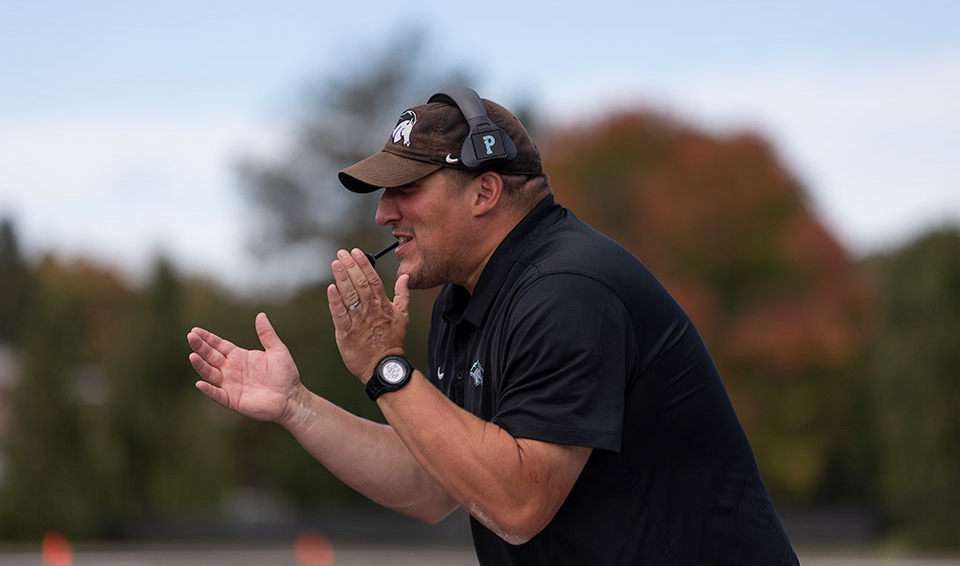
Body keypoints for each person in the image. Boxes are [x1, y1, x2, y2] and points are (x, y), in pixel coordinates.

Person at [187, 87, 799, 565]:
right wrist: (297, 405)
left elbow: (518, 501)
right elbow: (432, 486)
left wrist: (385, 366)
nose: (382, 213)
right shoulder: (467, 296)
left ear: (484, 192)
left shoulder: (567, 290)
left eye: (406, 189)